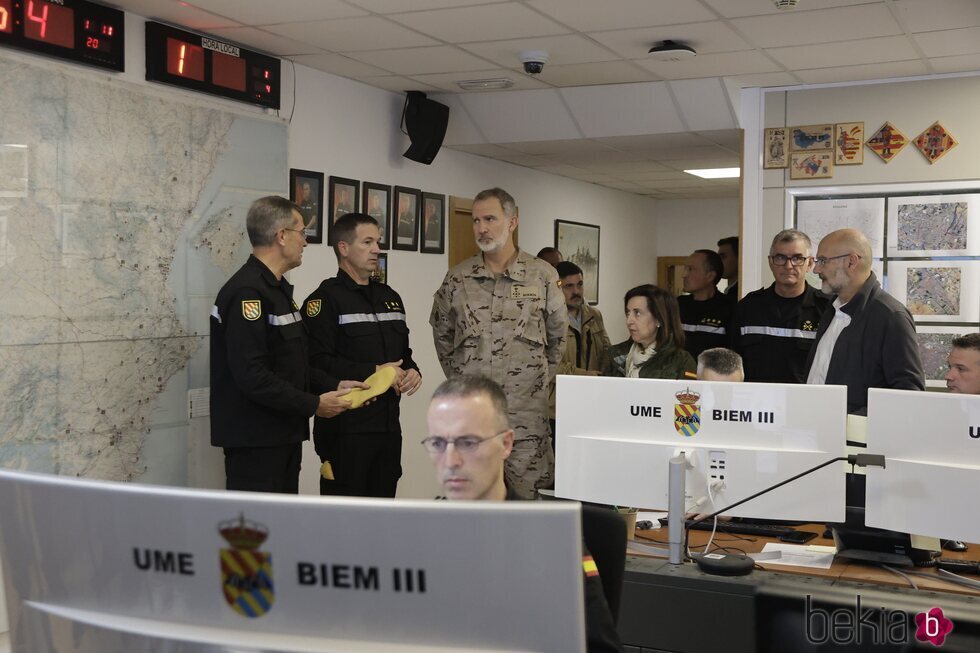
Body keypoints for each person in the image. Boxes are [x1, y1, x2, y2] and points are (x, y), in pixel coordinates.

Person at [423, 375, 622, 653]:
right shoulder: (414, 536)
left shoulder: (552, 541)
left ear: (506, 444)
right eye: (438, 443)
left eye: (468, 442)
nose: (451, 461)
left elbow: (601, 648)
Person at [210, 196, 367, 494]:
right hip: (256, 440)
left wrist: (335, 383)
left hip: (282, 434)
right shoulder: (248, 293)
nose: (305, 242)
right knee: (258, 532)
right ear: (281, 236)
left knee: (280, 530)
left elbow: (292, 363)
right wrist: (314, 404)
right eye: (302, 233)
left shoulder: (276, 290)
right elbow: (252, 375)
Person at [430, 187, 567, 497]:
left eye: (490, 219)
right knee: (471, 505)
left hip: (526, 421)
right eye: (476, 221)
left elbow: (557, 341)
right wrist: (465, 384)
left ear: (512, 221)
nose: (482, 228)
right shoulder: (457, 279)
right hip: (472, 421)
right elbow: (443, 339)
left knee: (531, 509)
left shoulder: (542, 277)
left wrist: (532, 385)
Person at [302, 213, 421, 498]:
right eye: (367, 242)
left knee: (383, 519)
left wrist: (414, 370)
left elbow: (403, 354)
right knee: (344, 526)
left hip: (388, 428)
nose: (377, 249)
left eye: (377, 242)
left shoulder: (390, 296)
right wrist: (375, 369)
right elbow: (315, 363)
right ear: (344, 248)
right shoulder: (324, 300)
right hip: (346, 432)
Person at [805, 228, 924, 414]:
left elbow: (908, 393)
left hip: (855, 440)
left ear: (851, 261)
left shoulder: (891, 317)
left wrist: (851, 422)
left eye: (823, 261)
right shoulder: (830, 309)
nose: (816, 269)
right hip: (817, 430)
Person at [732, 229, 829, 383]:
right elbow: (733, 362)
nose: (788, 265)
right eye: (780, 257)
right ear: (771, 261)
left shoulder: (826, 310)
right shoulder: (748, 307)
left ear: (809, 263)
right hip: (755, 403)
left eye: (797, 258)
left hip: (804, 403)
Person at [548, 261, 611, 441]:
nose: (576, 291)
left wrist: (603, 377)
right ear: (557, 288)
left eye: (580, 284)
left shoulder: (594, 315)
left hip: (591, 404)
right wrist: (585, 376)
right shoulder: (547, 321)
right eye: (569, 286)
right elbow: (547, 365)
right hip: (558, 408)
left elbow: (606, 350)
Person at [605, 284, 696, 380]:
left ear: (658, 319)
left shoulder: (681, 361)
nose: (629, 321)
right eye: (628, 313)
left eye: (637, 313)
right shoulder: (617, 355)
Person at [677, 249, 733, 359]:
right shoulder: (677, 305)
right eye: (685, 269)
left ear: (710, 276)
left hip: (711, 374)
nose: (684, 275)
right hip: (678, 375)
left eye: (691, 269)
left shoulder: (729, 308)